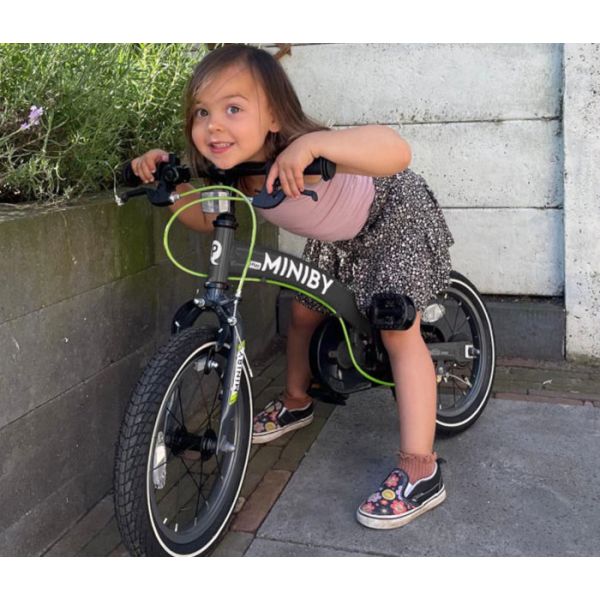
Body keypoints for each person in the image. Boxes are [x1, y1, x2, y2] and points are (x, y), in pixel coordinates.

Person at [131, 44, 454, 530]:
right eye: (202, 112)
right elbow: (207, 218)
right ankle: (297, 401)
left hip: (392, 216)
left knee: (396, 330)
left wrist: (314, 146)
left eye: (233, 109)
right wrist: (168, 187)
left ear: (275, 117)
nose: (213, 126)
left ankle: (420, 469)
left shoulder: (306, 148)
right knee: (303, 313)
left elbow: (395, 151)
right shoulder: (235, 176)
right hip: (336, 237)